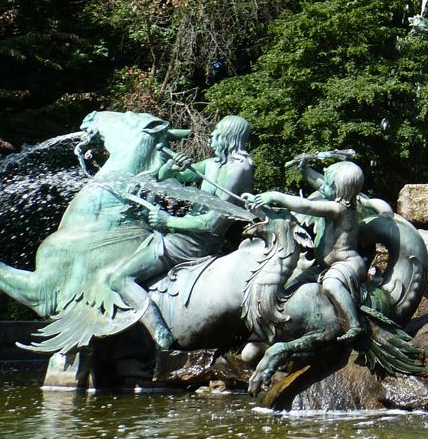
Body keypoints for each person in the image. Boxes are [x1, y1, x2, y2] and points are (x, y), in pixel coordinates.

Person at [248, 157, 367, 344]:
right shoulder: (339, 198)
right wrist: (306, 170)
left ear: (339, 190)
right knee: (294, 285)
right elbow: (320, 183)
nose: (321, 186)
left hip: (346, 264)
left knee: (331, 285)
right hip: (323, 266)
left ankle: (354, 325)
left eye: (328, 184)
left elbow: (307, 206)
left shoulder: (339, 209)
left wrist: (275, 196)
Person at [147, 115, 254, 266]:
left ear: (228, 134)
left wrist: (167, 221)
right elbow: (164, 177)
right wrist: (171, 167)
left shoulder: (238, 169)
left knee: (120, 277)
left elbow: (212, 223)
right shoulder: (211, 164)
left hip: (197, 242)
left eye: (217, 129)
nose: (211, 134)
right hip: (183, 233)